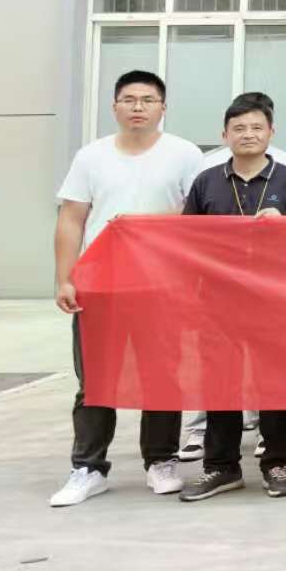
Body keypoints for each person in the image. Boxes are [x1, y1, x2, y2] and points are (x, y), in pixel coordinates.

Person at [48, 70, 206, 507]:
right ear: (115, 106)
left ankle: (161, 461)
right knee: (95, 378)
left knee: (162, 375)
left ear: (163, 108)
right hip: (101, 284)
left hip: (163, 284)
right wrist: (65, 277)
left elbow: (198, 217)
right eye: (129, 99)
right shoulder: (91, 156)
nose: (138, 107)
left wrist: (149, 230)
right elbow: (72, 218)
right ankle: (88, 467)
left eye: (148, 100)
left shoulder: (185, 154)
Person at [177, 97, 286, 502]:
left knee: (275, 385)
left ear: (271, 133)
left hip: (276, 302)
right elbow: (188, 241)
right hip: (219, 302)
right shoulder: (207, 182)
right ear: (224, 135)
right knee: (221, 384)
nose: (248, 135)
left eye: (257, 127)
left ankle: (277, 462)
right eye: (239, 128)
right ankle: (221, 466)